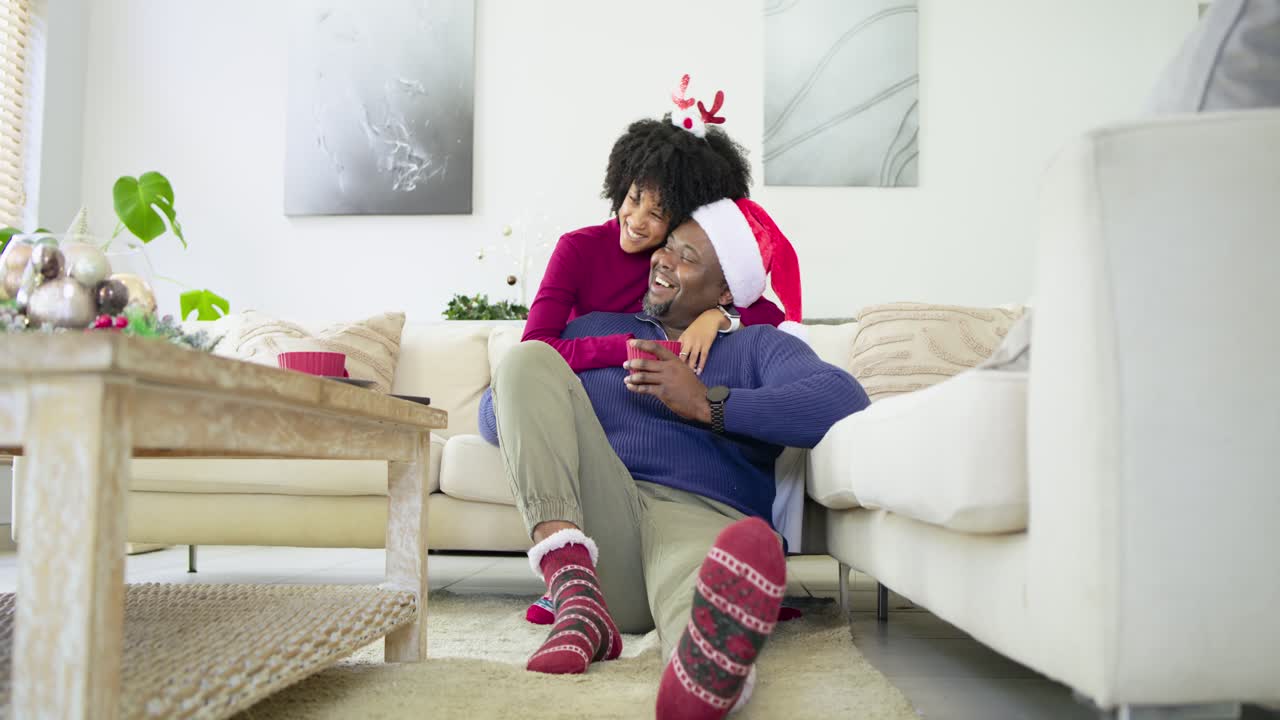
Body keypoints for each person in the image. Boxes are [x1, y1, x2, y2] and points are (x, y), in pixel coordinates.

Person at [478, 197, 868, 718]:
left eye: (688, 258)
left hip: (700, 514)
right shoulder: (594, 332)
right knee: (526, 358)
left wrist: (707, 404)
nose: (663, 260)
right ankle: (575, 597)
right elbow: (494, 413)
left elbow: (842, 400)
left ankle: (703, 670)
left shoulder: (756, 346)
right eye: (667, 246)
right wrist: (566, 390)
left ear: (726, 290)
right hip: (601, 536)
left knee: (704, 578)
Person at [521, 74, 793, 376]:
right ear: (621, 185)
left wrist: (718, 318)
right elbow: (534, 348)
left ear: (682, 215)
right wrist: (630, 346)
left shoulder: (676, 262)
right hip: (595, 385)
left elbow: (776, 322)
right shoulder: (578, 249)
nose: (636, 221)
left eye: (657, 214)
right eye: (634, 198)